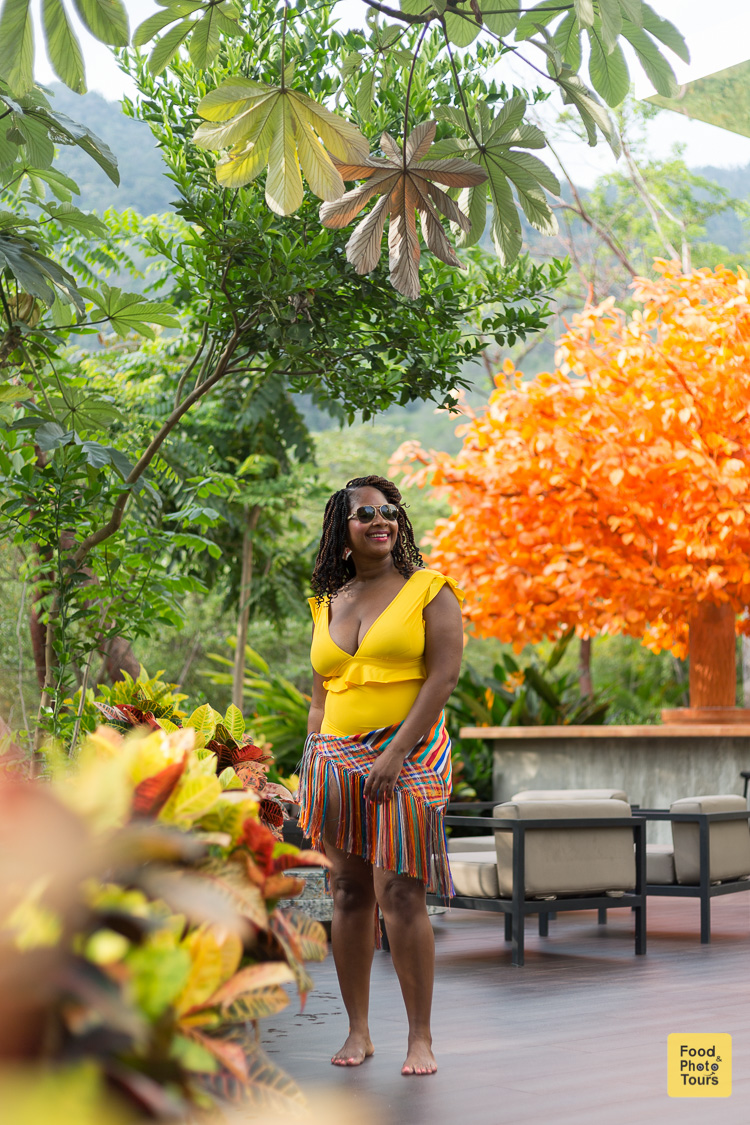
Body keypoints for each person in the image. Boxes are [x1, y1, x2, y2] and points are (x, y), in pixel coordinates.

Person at [297, 475, 464, 1078]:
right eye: (365, 512)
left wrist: (395, 752)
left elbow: (442, 678)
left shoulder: (429, 590)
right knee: (347, 891)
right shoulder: (326, 601)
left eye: (389, 510)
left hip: (411, 751)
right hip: (335, 755)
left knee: (399, 889)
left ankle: (421, 1038)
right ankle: (358, 1029)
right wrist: (311, 759)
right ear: (341, 532)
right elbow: (318, 695)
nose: (381, 519)